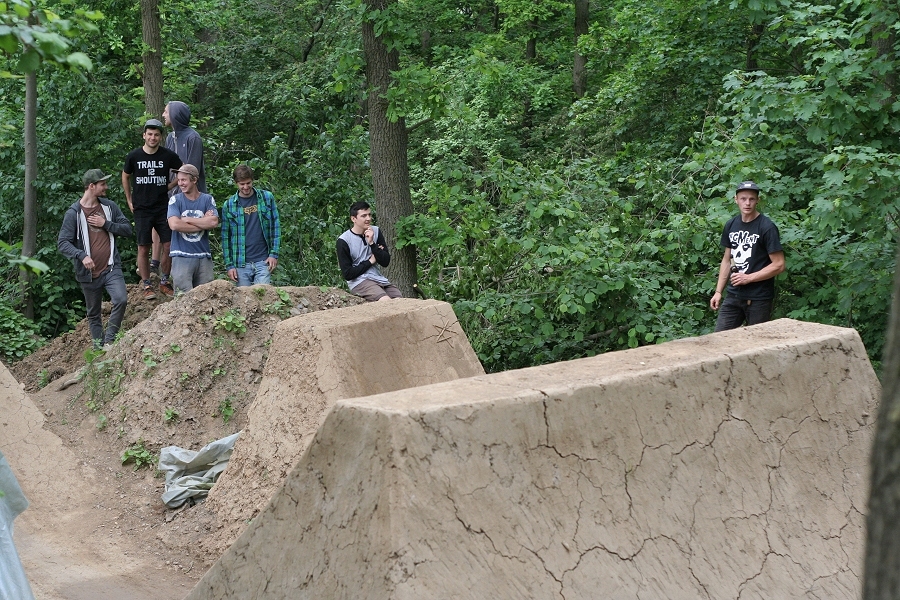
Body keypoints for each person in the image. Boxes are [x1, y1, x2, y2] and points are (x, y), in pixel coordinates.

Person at [57, 169, 133, 349]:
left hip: (111, 267)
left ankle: (110, 341)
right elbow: (63, 243)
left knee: (121, 300)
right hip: (88, 273)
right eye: (102, 184)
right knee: (93, 313)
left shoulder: (109, 207)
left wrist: (105, 224)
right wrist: (81, 255)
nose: (106, 187)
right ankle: (99, 349)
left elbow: (127, 229)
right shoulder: (73, 213)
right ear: (91, 186)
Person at [710, 181, 785, 331]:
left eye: (751, 199)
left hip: (759, 298)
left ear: (758, 200)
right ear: (736, 199)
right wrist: (718, 291)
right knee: (720, 339)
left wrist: (749, 278)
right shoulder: (731, 225)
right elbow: (726, 260)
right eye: (743, 199)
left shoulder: (766, 227)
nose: (747, 203)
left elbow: (779, 264)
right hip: (733, 295)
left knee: (756, 344)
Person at [122, 118, 182, 300]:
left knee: (169, 245)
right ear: (144, 136)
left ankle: (164, 281)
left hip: (163, 207)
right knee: (143, 247)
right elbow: (125, 176)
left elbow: (183, 171)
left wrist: (169, 186)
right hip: (141, 208)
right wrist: (129, 200)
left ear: (160, 137)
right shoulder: (134, 156)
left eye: (156, 135)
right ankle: (146, 284)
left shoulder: (167, 155)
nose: (153, 137)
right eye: (150, 134)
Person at [152, 101, 207, 276]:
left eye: (166, 111)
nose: (163, 115)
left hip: (188, 194)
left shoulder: (193, 138)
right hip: (170, 192)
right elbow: (167, 166)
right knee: (159, 223)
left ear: (175, 115)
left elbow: (191, 171)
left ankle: (180, 274)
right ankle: (157, 266)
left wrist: (175, 188)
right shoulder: (170, 137)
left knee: (181, 231)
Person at [221, 164, 281, 286]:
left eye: (248, 183)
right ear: (236, 183)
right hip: (241, 263)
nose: (246, 187)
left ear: (252, 180)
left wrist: (273, 254)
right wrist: (229, 265)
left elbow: (275, 226)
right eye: (242, 184)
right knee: (245, 302)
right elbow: (225, 237)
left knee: (263, 297)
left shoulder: (267, 198)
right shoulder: (229, 205)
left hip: (263, 261)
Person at [167, 164, 219, 294]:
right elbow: (174, 225)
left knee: (206, 298)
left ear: (194, 180)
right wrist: (202, 222)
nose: (180, 183)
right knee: (182, 299)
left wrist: (187, 219)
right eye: (178, 180)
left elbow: (213, 222)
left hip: (204, 256)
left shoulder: (207, 199)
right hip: (181, 255)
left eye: (183, 180)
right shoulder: (175, 200)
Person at [336, 201, 402, 301]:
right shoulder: (343, 241)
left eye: (369, 215)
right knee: (386, 301)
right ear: (354, 219)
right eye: (364, 216)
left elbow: (385, 261)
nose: (368, 218)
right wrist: (370, 261)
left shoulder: (376, 231)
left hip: (379, 279)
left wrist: (372, 243)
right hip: (359, 282)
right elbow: (348, 274)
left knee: (401, 301)